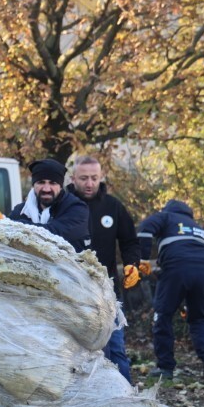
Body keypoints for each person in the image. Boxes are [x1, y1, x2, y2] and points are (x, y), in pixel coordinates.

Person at [67, 156, 142, 382]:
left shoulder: (113, 206)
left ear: (101, 178)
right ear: (73, 179)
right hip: (70, 292)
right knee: (74, 353)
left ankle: (126, 401)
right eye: (83, 178)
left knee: (116, 349)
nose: (89, 183)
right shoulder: (62, 206)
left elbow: (130, 241)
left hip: (107, 292)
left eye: (94, 178)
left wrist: (132, 264)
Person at [137, 200, 204, 380]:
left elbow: (144, 230)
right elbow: (195, 254)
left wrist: (143, 259)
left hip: (177, 269)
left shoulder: (165, 217)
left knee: (163, 315)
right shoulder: (198, 227)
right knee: (199, 318)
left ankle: (165, 368)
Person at [0, 158, 89, 252]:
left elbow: (54, 233)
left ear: (60, 186)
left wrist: (8, 223)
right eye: (41, 182)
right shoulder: (20, 211)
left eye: (52, 183)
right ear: (34, 185)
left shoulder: (77, 209)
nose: (46, 189)